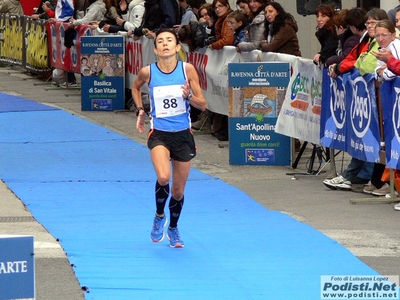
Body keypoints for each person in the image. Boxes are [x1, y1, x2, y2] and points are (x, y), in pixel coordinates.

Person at [131, 28, 207, 248]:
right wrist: (140, 110)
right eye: (160, 41)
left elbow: (203, 104)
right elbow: (136, 88)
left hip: (183, 134)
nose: (165, 44)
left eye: (169, 41)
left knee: (178, 190)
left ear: (177, 47)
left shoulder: (187, 70)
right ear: (155, 49)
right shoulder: (148, 72)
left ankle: (173, 228)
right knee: (164, 177)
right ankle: (158, 216)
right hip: (160, 134)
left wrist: (189, 96)